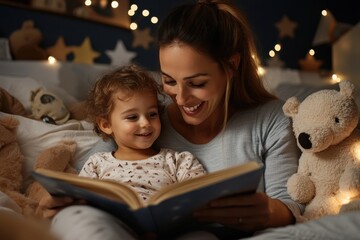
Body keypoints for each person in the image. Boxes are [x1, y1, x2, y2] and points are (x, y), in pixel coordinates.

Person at [38, 0, 304, 239]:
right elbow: (92, 177)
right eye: (168, 81)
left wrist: (270, 211)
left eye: (197, 83)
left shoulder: (271, 119)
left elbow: (292, 205)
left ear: (232, 66)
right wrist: (58, 203)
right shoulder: (151, 117)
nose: (181, 98)